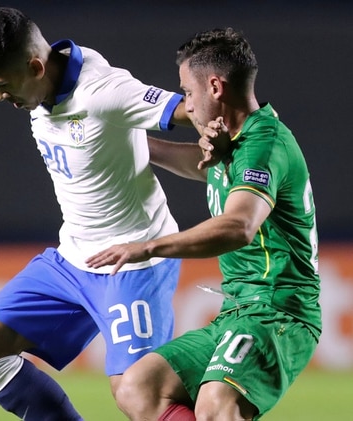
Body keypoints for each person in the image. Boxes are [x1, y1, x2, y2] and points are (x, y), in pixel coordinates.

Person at [0, 7, 194, 420]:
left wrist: (248, 128)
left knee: (138, 395)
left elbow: (191, 109)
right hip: (73, 259)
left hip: (133, 262)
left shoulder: (102, 90)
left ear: (36, 67)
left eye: (2, 85)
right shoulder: (42, 89)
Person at [86, 28, 322, 420]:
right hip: (237, 310)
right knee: (138, 386)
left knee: (217, 403)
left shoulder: (263, 146)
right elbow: (198, 165)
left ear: (215, 87)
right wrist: (126, 143)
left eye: (188, 92)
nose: (187, 105)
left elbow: (239, 226)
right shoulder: (234, 143)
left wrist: (148, 247)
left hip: (278, 311)